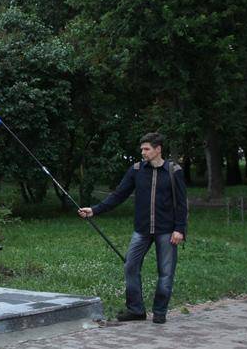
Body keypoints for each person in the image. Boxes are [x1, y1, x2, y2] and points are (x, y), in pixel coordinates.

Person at [78, 132, 187, 324]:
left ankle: (160, 312)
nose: (143, 152)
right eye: (142, 149)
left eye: (147, 149)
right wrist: (94, 210)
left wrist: (180, 229)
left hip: (166, 231)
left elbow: (181, 203)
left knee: (166, 272)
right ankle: (136, 310)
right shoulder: (136, 170)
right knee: (130, 266)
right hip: (141, 230)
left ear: (158, 149)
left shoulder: (173, 171)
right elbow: (118, 195)